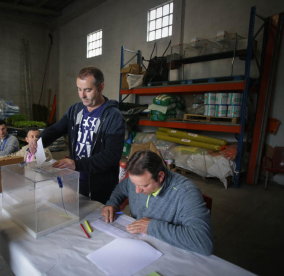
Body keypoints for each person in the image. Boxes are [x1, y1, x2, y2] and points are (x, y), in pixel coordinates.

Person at [29, 67, 126, 204]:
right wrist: (40, 140)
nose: (82, 95)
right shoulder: (75, 110)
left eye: (88, 90)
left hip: (100, 187)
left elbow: (111, 155)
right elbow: (57, 128)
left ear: (101, 87)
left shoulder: (113, 117)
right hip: (74, 181)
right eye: (79, 89)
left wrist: (77, 164)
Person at [101, 150, 213, 256]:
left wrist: (151, 227)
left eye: (144, 186)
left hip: (168, 252)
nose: (137, 190)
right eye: (134, 183)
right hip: (137, 244)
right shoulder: (138, 179)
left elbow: (203, 242)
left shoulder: (186, 192)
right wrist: (112, 203)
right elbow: (121, 188)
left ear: (160, 176)